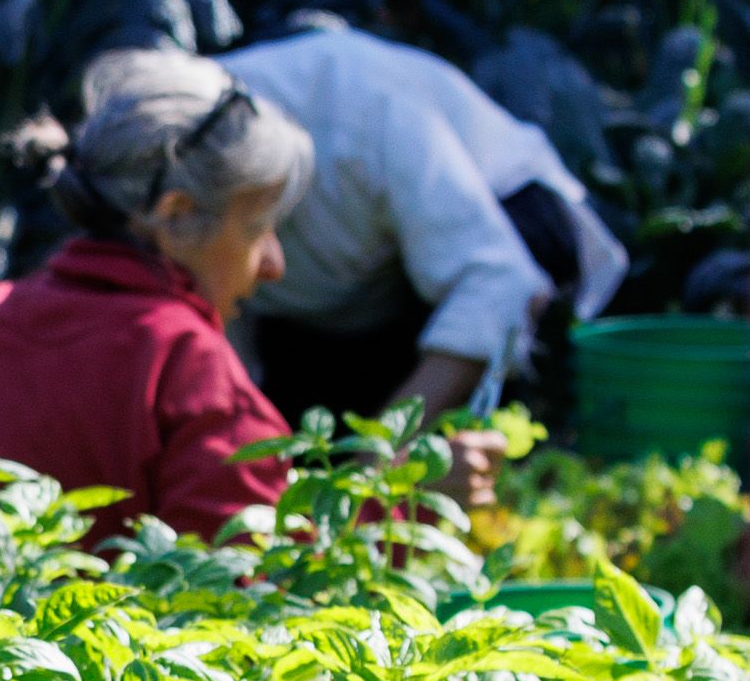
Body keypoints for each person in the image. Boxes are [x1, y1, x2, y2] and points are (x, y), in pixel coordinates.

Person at [0, 48, 316, 544]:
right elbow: (246, 582)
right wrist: (405, 510)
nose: (273, 265)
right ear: (176, 215)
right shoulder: (186, 361)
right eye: (258, 228)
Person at [216, 24, 627, 423]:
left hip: (509, 231)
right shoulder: (174, 168)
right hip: (348, 306)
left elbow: (500, 283)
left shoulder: (362, 113)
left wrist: (373, 471)